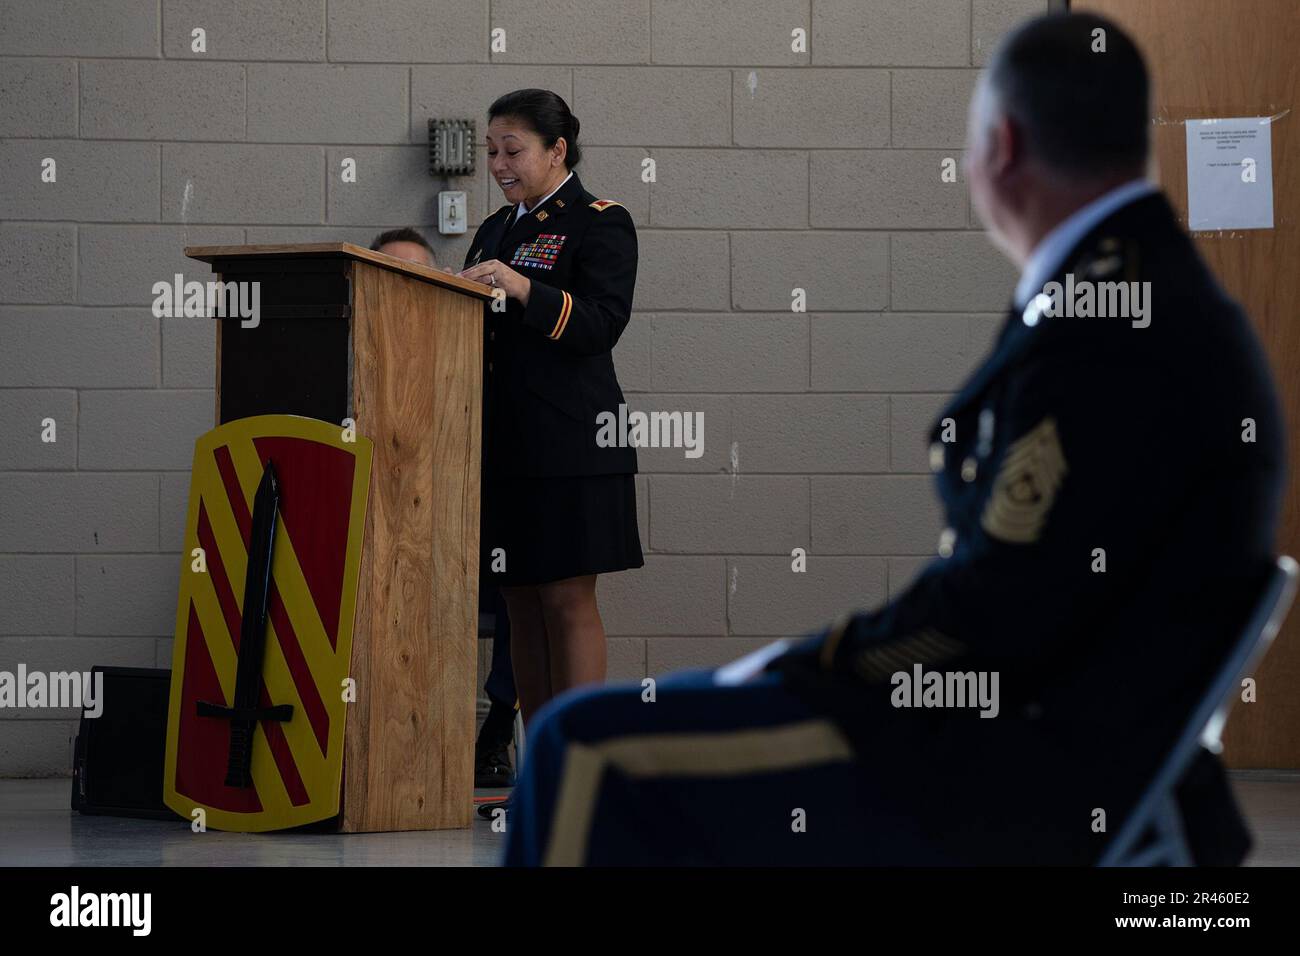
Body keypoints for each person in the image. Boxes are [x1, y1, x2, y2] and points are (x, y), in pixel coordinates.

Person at [500, 12, 1284, 865]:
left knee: (577, 746)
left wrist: (809, 666)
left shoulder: (1103, 320)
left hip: (1022, 753)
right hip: (1065, 727)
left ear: (1004, 147)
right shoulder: (1139, 284)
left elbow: (996, 609)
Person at [455, 90, 644, 813]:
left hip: (573, 442)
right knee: (519, 607)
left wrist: (520, 287)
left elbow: (600, 324)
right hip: (505, 447)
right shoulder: (495, 228)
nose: (499, 165)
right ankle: (542, 780)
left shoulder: (601, 224)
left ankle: (584, 780)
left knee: (567, 601)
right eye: (492, 151)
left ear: (557, 150)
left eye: (514, 150)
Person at [370, 226, 520, 789]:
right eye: (393, 276)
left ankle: (496, 730)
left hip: (470, 552)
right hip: (387, 549)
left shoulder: (478, 356)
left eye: (421, 277)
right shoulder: (360, 361)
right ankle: (373, 736)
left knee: (520, 582)